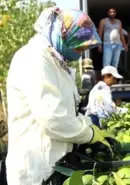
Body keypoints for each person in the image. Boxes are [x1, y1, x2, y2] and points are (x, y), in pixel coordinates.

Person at [5, 7, 120, 185]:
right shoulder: (34, 58)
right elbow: (53, 118)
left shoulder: (56, 61)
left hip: (56, 164)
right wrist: (89, 134)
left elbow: (67, 111)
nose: (81, 51)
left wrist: (91, 126)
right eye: (79, 45)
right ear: (62, 35)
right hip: (36, 169)